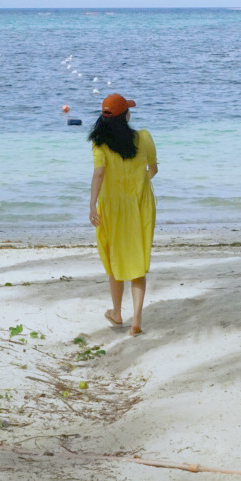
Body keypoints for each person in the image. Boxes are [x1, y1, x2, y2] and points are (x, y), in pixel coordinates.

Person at [88, 94, 157, 335]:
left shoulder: (99, 144)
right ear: (124, 117)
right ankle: (136, 321)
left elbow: (99, 174)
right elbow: (153, 169)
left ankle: (117, 313)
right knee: (136, 260)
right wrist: (138, 185)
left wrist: (92, 205)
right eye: (128, 110)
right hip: (139, 205)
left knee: (114, 258)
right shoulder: (144, 137)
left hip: (111, 207)